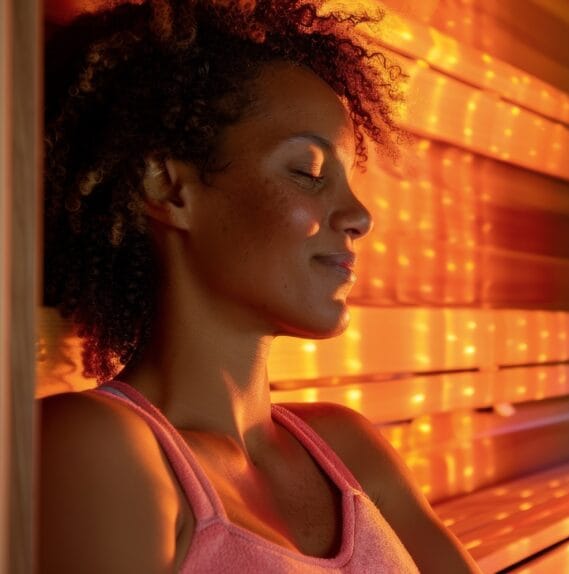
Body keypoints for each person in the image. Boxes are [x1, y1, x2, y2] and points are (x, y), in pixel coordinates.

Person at [39, 1, 480, 571]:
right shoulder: (99, 448)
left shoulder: (347, 449)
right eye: (309, 172)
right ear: (170, 188)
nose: (360, 216)